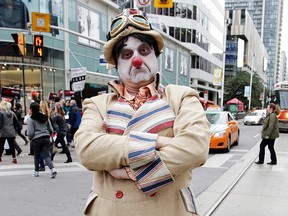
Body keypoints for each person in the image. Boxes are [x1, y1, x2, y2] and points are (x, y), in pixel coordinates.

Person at [75, 9, 210, 216]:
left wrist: (130, 172)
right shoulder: (97, 104)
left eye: (144, 51)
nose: (136, 60)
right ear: (116, 64)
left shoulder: (182, 97)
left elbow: (195, 148)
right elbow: (87, 150)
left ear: (156, 56)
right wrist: (156, 142)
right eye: (126, 55)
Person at [27, 102, 57, 178]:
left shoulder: (31, 119)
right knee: (46, 155)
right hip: (46, 137)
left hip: (36, 139)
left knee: (36, 156)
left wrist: (30, 138)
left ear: (31, 109)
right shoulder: (45, 117)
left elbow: (30, 132)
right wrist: (49, 134)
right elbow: (51, 129)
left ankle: (36, 172)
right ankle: (53, 169)